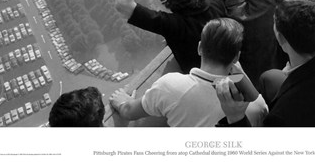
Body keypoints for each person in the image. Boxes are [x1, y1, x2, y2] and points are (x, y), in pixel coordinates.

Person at [109, 18, 267, 127]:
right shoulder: (254, 106)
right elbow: (262, 108)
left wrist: (122, 102)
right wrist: (238, 74)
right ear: (236, 58)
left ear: (199, 48)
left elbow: (129, 112)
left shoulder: (169, 86)